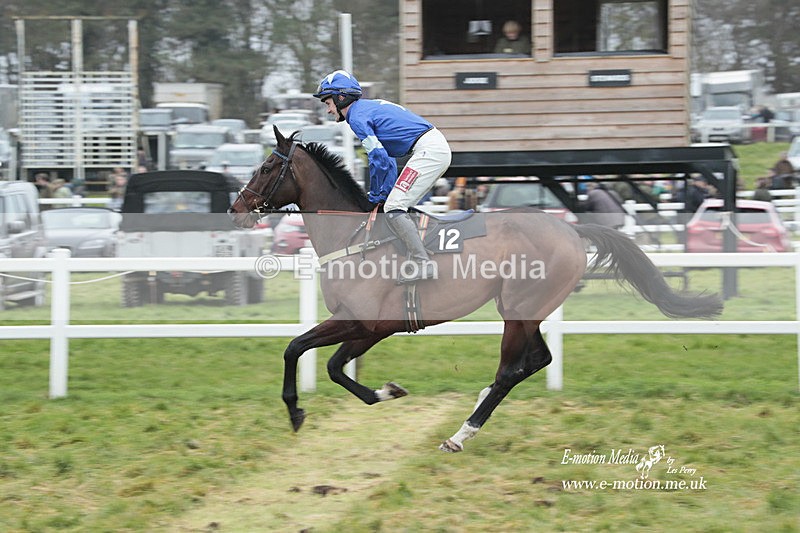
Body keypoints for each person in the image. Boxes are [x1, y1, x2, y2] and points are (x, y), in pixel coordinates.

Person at [313, 69, 452, 283]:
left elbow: (378, 157)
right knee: (394, 205)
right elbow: (387, 160)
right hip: (431, 148)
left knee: (394, 207)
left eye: (328, 103)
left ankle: (423, 263)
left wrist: (376, 195)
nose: (328, 110)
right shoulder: (363, 110)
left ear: (341, 98)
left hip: (430, 151)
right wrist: (382, 194)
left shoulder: (356, 117)